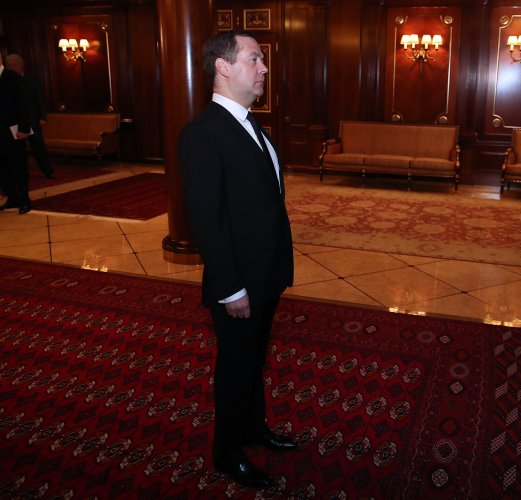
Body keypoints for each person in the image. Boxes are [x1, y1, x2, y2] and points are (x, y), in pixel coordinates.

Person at [179, 30, 295, 489]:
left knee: (253, 361)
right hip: (239, 282)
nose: (263, 68)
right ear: (223, 67)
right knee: (234, 367)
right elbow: (207, 221)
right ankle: (226, 451)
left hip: (266, 274)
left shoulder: (251, 124)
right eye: (254, 59)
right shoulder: (203, 134)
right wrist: (230, 288)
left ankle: (252, 427)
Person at [6, 54, 55, 179]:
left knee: (38, 146)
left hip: (32, 120)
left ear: (21, 66)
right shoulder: (5, 81)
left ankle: (48, 171)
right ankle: (22, 173)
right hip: (15, 122)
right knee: (18, 150)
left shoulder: (32, 79)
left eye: (14, 65)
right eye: (9, 66)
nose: (12, 68)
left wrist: (42, 117)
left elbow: (39, 99)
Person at [0, 51, 32, 214]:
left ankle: (24, 199)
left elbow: (24, 105)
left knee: (18, 165)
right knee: (2, 168)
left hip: (13, 131)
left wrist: (24, 128)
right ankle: (12, 196)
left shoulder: (13, 78)